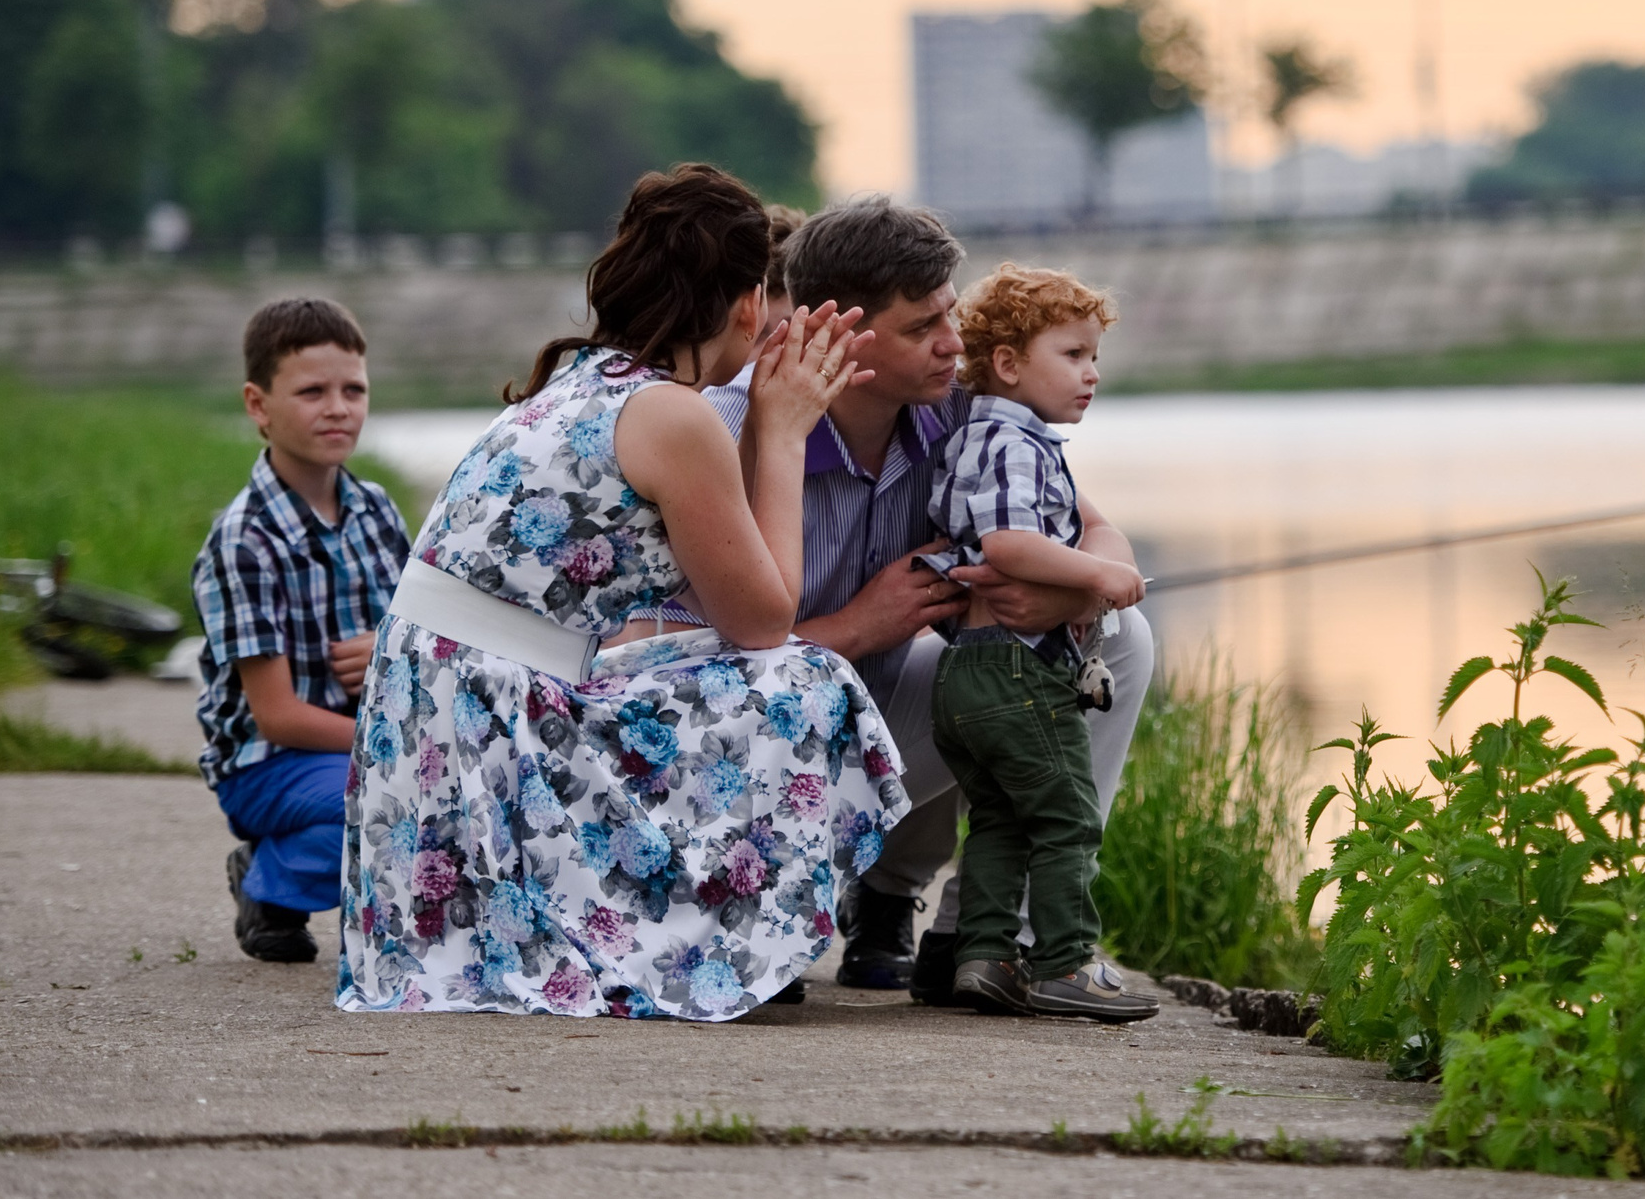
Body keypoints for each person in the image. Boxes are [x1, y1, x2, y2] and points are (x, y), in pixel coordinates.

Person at [336, 164, 908, 1018]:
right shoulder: (670, 414)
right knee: (806, 683)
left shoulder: (584, 384)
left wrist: (762, 421)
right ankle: (726, 937)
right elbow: (764, 623)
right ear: (749, 303)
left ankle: (723, 929)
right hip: (491, 719)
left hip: (436, 715)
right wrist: (785, 432)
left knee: (708, 668)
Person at [698, 197, 1155, 997]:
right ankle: (806, 893)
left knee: (1122, 638)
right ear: (838, 329)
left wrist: (1065, 599)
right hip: (751, 754)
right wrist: (857, 623)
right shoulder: (729, 428)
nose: (955, 343)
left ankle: (993, 938)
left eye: (949, 312)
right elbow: (687, 667)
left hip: (883, 724)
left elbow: (1098, 533)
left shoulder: (960, 411)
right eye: (921, 329)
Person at [924, 264, 1155, 1020]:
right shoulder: (1012, 443)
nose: (1091, 375)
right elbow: (1009, 546)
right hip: (1017, 673)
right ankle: (1064, 962)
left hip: (967, 673)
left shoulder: (981, 435)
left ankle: (984, 956)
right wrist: (1098, 576)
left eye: (1095, 358)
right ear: (1009, 363)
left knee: (998, 820)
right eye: (1073, 355)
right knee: (1066, 817)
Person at [194, 298, 410, 964]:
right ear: (259, 406)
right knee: (399, 800)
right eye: (312, 392)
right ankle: (273, 887)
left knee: (449, 791)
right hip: (270, 765)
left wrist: (394, 643)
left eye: (354, 390)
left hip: (357, 746)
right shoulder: (246, 540)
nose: (338, 407)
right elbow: (279, 716)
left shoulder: (376, 509)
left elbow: (420, 631)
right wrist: (400, 745)